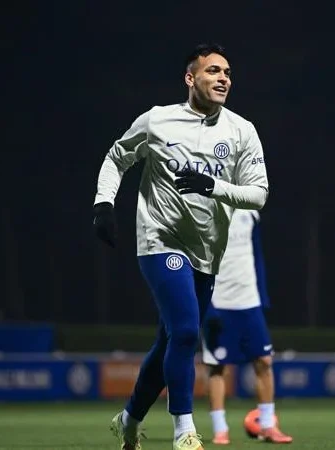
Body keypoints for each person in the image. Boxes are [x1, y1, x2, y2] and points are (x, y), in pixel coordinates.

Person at [92, 43, 269, 450]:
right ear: (190, 78)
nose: (223, 78)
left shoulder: (242, 130)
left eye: (227, 72)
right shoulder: (157, 120)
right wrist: (103, 204)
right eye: (213, 71)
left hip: (207, 252)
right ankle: (184, 431)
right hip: (160, 240)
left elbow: (259, 194)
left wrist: (213, 186)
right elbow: (117, 157)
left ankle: (129, 420)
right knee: (187, 331)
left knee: (170, 341)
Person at [201, 209, 292, 445]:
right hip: (219, 301)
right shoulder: (203, 209)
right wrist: (207, 307)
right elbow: (196, 261)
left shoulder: (250, 211)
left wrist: (262, 296)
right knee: (217, 367)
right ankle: (220, 430)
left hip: (249, 300)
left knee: (264, 361)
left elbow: (257, 255)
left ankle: (268, 425)